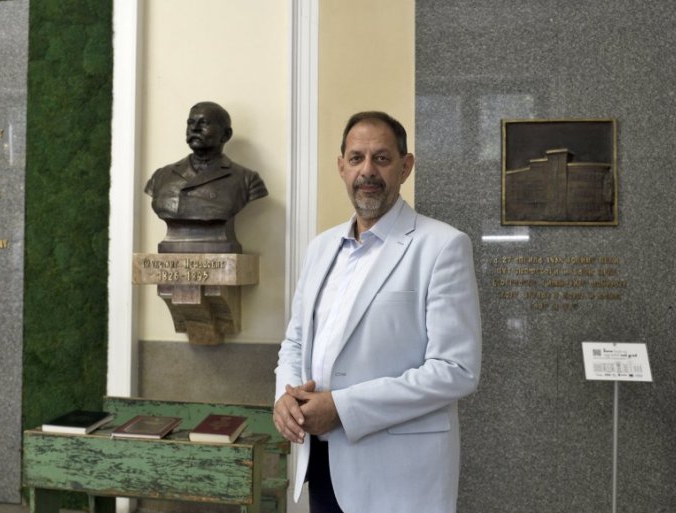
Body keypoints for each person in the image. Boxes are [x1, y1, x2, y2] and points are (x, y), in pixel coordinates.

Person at [273, 111, 482, 513]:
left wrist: (342, 408)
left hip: (398, 478)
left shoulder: (442, 246)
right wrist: (286, 397)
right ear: (341, 167)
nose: (367, 170)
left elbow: (456, 369)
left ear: (405, 167)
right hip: (322, 465)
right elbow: (296, 340)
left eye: (381, 158)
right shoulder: (320, 248)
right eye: (356, 158)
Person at [144, 101, 267, 252]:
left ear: (226, 135)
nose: (194, 128)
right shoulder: (161, 176)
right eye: (190, 123)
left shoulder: (247, 179)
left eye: (204, 123)